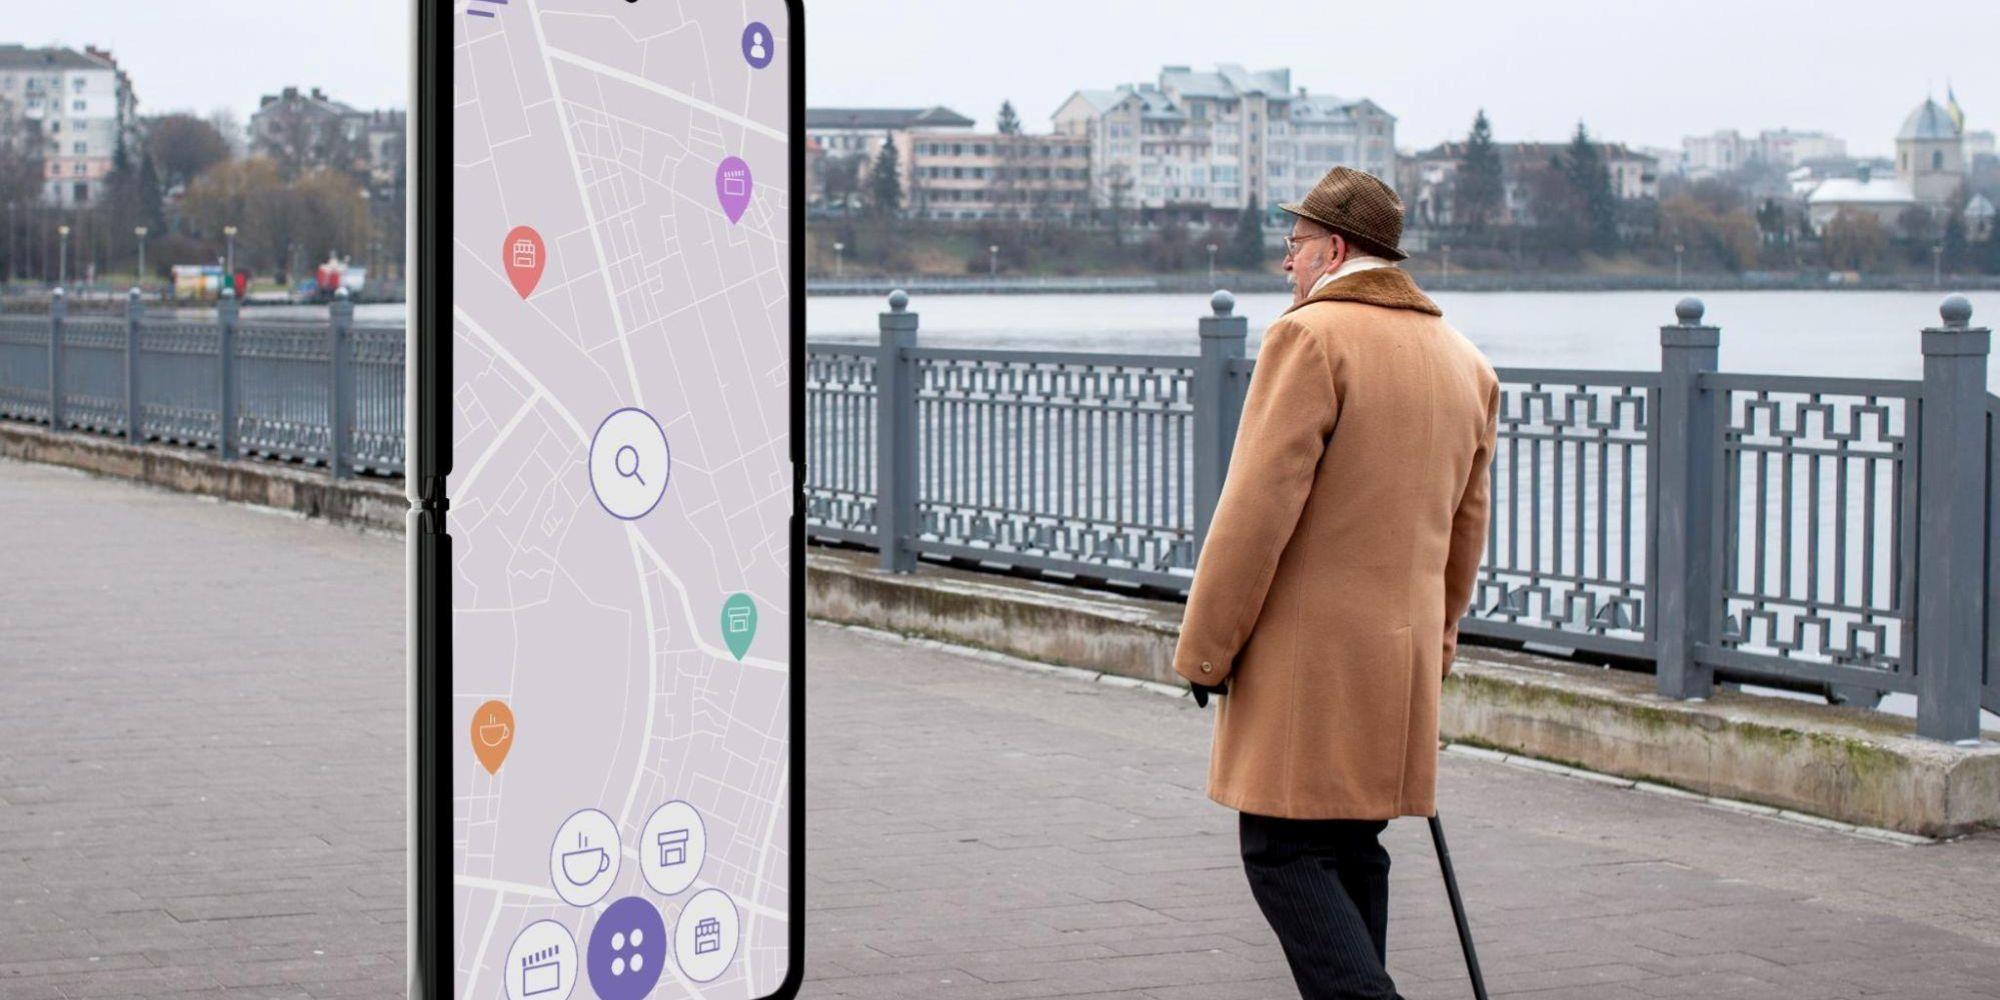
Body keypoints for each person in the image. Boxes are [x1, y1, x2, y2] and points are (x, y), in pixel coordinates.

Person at [1172, 166, 1499, 1000]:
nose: (1287, 264)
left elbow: (1255, 513)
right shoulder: (1466, 362)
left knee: (1282, 849)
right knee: (1354, 847)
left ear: (1337, 249)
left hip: (1307, 666)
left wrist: (1205, 653)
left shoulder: (1310, 339)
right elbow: (1467, 532)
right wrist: (1440, 646)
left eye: (1296, 246)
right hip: (1398, 660)